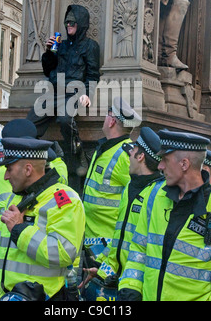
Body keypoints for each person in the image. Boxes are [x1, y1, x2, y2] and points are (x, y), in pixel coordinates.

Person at [0, 119, 85, 301]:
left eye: (10, 169)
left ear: (28, 170)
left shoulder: (65, 201)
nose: (5, 176)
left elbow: (64, 253)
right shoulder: (16, 198)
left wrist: (20, 230)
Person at [118, 129, 211, 301]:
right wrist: (130, 290)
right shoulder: (154, 195)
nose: (159, 166)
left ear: (184, 164)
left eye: (165, 160)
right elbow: (138, 249)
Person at [80, 127, 164, 301]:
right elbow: (120, 239)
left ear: (140, 157)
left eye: (132, 151)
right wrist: (103, 270)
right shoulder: (128, 189)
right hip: (120, 281)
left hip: (136, 288)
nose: (129, 154)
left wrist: (134, 286)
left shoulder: (158, 195)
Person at [27, 4, 100, 180]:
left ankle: (75, 155)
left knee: (65, 119)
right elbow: (48, 70)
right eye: (67, 22)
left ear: (81, 23)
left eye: (73, 22)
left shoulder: (91, 46)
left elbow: (92, 74)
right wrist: (49, 52)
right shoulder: (61, 45)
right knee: (29, 124)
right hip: (53, 92)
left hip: (74, 93)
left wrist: (87, 94)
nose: (69, 25)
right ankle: (41, 159)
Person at [82, 97, 141, 261]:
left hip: (107, 244)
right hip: (93, 239)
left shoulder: (125, 155)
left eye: (107, 115)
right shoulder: (105, 148)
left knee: (100, 284)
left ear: (112, 121)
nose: (104, 119)